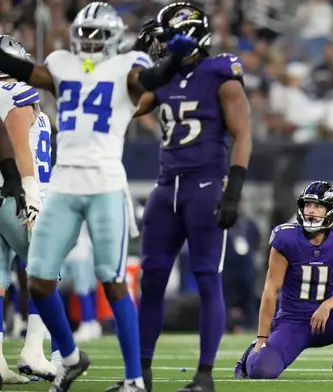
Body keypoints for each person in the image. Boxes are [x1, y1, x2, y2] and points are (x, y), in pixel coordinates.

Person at [0, 2, 199, 391]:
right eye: (85, 34)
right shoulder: (60, 63)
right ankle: (70, 356)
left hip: (105, 183)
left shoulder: (128, 68)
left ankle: (135, 380)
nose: (90, 43)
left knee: (112, 279)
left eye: (98, 35)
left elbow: (153, 79)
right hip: (60, 186)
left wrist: (175, 55)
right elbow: (29, 72)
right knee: (39, 278)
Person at [117, 3, 252, 392]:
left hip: (205, 186)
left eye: (164, 40)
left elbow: (243, 132)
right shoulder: (162, 76)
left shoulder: (220, 72)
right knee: (152, 279)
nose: (160, 48)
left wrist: (234, 189)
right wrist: (135, 59)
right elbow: (129, 103)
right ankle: (140, 375)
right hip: (166, 186)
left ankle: (205, 376)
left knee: (208, 278)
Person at [234, 181, 333, 379]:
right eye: (307, 205)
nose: (311, 211)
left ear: (330, 211)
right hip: (293, 323)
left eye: (318, 206)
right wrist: (261, 338)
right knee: (261, 373)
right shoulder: (286, 238)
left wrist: (327, 306)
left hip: (328, 321)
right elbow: (271, 290)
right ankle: (248, 358)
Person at [0, 35, 57, 382]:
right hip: (20, 196)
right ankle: (34, 350)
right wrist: (32, 192)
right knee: (46, 268)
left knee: (0, 278)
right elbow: (19, 137)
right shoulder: (17, 94)